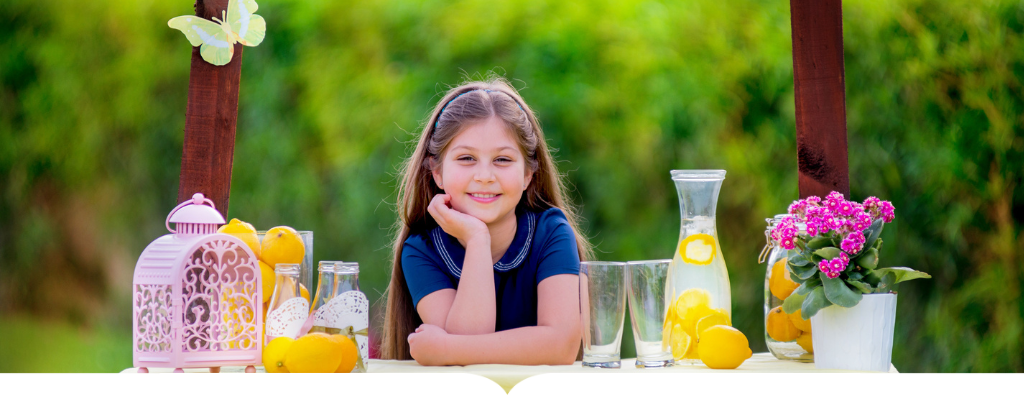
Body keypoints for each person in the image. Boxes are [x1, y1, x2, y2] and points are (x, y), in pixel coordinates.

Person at [380, 77, 594, 365]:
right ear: (437, 171)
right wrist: (477, 239)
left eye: (503, 160)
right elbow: (465, 357)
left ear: (528, 174)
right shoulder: (421, 250)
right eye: (467, 158)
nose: (484, 175)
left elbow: (561, 346)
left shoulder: (552, 233)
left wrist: (446, 349)